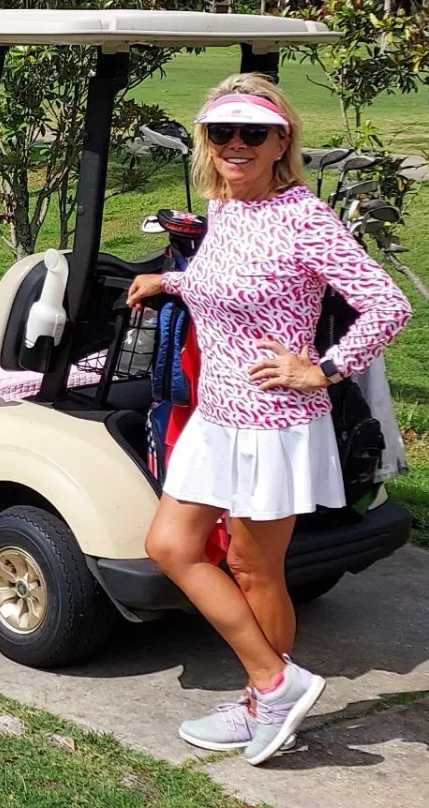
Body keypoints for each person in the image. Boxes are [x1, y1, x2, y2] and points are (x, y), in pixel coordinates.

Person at [126, 73, 411, 766]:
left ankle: (266, 695)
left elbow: (388, 305)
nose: (237, 144)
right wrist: (171, 281)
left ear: (282, 141)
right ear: (207, 141)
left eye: (255, 131)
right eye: (223, 131)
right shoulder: (225, 208)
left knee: (255, 571)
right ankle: (274, 682)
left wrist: (323, 369)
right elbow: (227, 279)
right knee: (173, 544)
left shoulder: (305, 217)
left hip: (273, 420)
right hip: (217, 414)